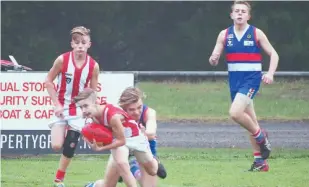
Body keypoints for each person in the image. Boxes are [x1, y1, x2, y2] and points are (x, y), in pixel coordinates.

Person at [209, 0, 279, 172]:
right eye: (237, 11)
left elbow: (273, 54)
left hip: (251, 80)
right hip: (235, 82)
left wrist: (269, 74)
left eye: (243, 11)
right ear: (231, 15)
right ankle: (259, 162)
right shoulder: (224, 34)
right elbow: (215, 53)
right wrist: (214, 58)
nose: (240, 14)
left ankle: (261, 137)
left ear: (248, 16)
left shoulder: (256, 33)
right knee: (250, 122)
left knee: (235, 113)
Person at [45, 26, 100, 187]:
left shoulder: (93, 66)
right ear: (72, 44)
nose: (80, 45)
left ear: (89, 44)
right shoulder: (62, 60)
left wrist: (89, 109)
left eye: (83, 42)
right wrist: (56, 105)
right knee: (56, 145)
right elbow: (48, 81)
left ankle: (58, 180)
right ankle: (64, 133)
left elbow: (92, 91)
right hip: (62, 108)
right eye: (77, 42)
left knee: (71, 143)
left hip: (78, 111)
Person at [74, 88, 158, 187]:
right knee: (122, 164)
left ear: (96, 102)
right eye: (81, 107)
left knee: (153, 170)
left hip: (135, 138)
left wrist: (101, 148)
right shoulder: (93, 115)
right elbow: (119, 140)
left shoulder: (113, 116)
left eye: (85, 106)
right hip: (119, 141)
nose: (83, 110)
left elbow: (149, 134)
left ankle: (148, 161)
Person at [117, 87, 167, 185]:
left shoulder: (149, 112)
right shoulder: (117, 115)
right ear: (124, 108)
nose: (136, 112)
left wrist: (141, 134)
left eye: (139, 107)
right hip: (124, 151)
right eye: (131, 109)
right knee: (108, 183)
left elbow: (151, 133)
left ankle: (134, 168)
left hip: (145, 148)